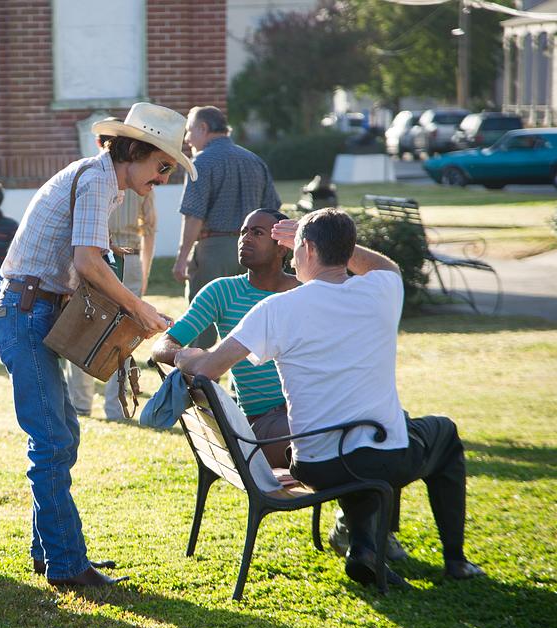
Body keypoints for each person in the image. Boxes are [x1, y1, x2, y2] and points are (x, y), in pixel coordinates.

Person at [173, 208, 483, 586]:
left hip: (314, 463)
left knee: (360, 444)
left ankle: (365, 548)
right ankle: (455, 561)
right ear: (345, 251)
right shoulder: (383, 289)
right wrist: (331, 241)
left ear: (305, 249)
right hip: (380, 458)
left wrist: (185, 356)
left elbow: (210, 368)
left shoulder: (274, 309)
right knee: (441, 434)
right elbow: (384, 265)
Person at [0, 102, 191, 587]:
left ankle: (49, 552)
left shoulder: (100, 178)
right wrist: (140, 310)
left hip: (32, 312)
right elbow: (87, 262)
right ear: (134, 150)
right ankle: (67, 566)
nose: (164, 178)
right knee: (54, 439)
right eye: (162, 165)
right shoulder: (100, 180)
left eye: (170, 168)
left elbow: (86, 262)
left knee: (61, 435)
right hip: (25, 314)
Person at [151, 208, 297, 467]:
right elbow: (163, 345)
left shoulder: (305, 291)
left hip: (307, 413)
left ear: (282, 248)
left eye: (257, 233)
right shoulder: (221, 291)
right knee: (344, 442)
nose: (245, 238)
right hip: (264, 427)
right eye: (243, 232)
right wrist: (192, 359)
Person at [173, 106, 280, 348]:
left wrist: (182, 259)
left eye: (189, 131)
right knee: (246, 323)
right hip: (256, 251)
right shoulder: (254, 160)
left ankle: (199, 381)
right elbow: (273, 210)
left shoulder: (201, 162)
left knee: (202, 325)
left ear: (203, 128)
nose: (187, 139)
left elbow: (193, 215)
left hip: (213, 251)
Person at [66, 170, 158, 420]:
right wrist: (145, 271)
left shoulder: (93, 179)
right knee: (123, 333)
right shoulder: (144, 179)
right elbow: (149, 228)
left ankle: (81, 402)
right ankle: (115, 406)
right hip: (128, 258)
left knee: (83, 326)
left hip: (96, 256)